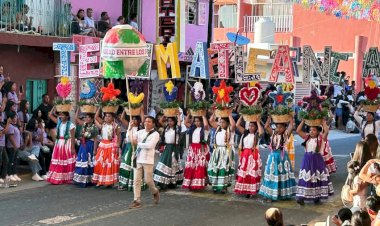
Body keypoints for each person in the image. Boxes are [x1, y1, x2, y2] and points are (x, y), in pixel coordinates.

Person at [296, 120, 334, 205]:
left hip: (317, 160)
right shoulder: (307, 137)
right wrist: (303, 121)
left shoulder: (321, 138)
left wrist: (323, 121)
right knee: (306, 177)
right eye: (310, 130)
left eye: (313, 130)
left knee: (316, 177)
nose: (311, 132)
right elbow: (298, 130)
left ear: (318, 131)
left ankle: (317, 196)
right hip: (307, 160)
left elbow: (326, 131)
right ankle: (301, 197)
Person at [259, 117, 297, 202]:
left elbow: (291, 125)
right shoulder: (273, 133)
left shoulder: (285, 134)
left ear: (285, 128)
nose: (278, 129)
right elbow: (266, 127)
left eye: (280, 127)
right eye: (277, 127)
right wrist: (269, 118)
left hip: (282, 158)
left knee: (281, 176)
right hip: (272, 157)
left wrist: (290, 116)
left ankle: (280, 194)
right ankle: (270, 195)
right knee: (271, 175)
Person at [129, 116, 160, 209]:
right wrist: (130, 128)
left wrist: (138, 143)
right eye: (145, 121)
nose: (146, 123)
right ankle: (137, 200)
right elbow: (130, 138)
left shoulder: (155, 134)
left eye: (149, 122)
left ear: (153, 124)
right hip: (137, 158)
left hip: (147, 159)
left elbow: (150, 145)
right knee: (136, 180)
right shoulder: (140, 132)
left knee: (148, 180)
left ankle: (155, 191)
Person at [234, 116, 264, 198]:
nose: (250, 127)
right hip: (244, 155)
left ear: (255, 127)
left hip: (252, 155)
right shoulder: (245, 133)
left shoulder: (257, 135)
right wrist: (241, 116)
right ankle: (244, 188)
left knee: (251, 173)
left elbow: (261, 132)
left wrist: (258, 121)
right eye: (249, 126)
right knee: (244, 172)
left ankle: (250, 191)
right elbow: (237, 125)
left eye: (252, 126)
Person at [46, 108, 76, 184]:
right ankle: (58, 177)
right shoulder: (59, 123)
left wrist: (72, 148)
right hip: (59, 143)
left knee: (65, 160)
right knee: (59, 160)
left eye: (62, 115)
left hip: (67, 143)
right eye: (60, 115)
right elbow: (50, 114)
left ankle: (66, 177)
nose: (61, 116)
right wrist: (55, 106)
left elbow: (72, 137)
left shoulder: (71, 125)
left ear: (67, 116)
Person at [154, 113, 183, 189]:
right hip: (166, 148)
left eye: (171, 121)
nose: (170, 122)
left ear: (175, 122)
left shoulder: (176, 129)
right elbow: (160, 121)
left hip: (173, 149)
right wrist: (165, 114)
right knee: (163, 163)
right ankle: (162, 183)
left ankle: (171, 183)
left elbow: (179, 124)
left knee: (172, 165)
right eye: (168, 121)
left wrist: (178, 116)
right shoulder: (166, 128)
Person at [208, 113, 236, 194]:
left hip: (226, 151)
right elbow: (211, 120)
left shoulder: (230, 129)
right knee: (214, 168)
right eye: (220, 122)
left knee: (224, 169)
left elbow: (233, 125)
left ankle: (224, 187)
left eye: (223, 122)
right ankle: (215, 185)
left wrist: (229, 114)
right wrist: (215, 112)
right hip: (217, 151)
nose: (221, 123)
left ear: (227, 123)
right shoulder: (218, 128)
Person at [93, 109, 121, 187]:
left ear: (113, 118)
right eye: (106, 116)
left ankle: (108, 181)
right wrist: (100, 107)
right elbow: (96, 117)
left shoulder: (115, 126)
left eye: (109, 116)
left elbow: (119, 136)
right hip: (102, 145)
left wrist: (117, 146)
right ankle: (100, 180)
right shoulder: (103, 124)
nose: (107, 117)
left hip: (111, 145)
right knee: (100, 163)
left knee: (109, 164)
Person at [182, 114, 210, 190]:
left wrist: (203, 115)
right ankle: (191, 183)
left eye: (198, 121)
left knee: (199, 166)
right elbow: (185, 122)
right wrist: (190, 114)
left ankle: (198, 184)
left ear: (201, 121)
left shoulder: (205, 129)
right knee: (191, 166)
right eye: (195, 121)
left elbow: (206, 124)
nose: (196, 123)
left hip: (201, 148)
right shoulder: (193, 129)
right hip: (192, 149)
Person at [119, 109, 144, 191]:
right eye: (132, 119)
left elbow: (143, 120)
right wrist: (125, 109)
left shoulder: (140, 129)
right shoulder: (129, 126)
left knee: (133, 166)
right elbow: (122, 118)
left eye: (135, 119)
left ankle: (133, 183)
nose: (133, 121)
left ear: (138, 121)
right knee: (125, 165)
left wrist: (141, 110)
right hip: (127, 147)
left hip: (135, 148)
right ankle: (124, 183)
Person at [73, 109, 98, 187]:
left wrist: (94, 150)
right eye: (86, 117)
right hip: (83, 145)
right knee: (82, 160)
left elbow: (96, 140)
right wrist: (78, 108)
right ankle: (81, 180)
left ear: (92, 119)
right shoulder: (84, 125)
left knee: (88, 162)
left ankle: (89, 180)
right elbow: (76, 118)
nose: (87, 119)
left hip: (90, 145)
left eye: (89, 118)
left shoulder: (94, 128)